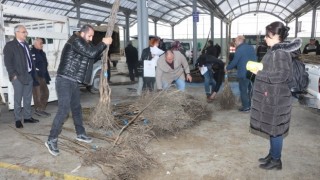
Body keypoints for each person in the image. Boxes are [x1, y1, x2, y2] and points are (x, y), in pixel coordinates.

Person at [45, 24, 112, 156]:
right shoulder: (75, 41)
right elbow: (91, 52)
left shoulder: (84, 43)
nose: (91, 38)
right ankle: (51, 139)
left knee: (76, 108)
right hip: (64, 80)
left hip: (74, 81)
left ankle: (80, 133)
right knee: (64, 110)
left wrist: (104, 52)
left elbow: (92, 56)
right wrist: (103, 43)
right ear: (82, 33)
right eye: (90, 36)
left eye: (92, 36)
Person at [249, 21, 301, 170]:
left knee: (276, 131)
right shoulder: (274, 51)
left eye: (267, 35)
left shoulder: (279, 53)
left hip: (277, 99)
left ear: (276, 36)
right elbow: (273, 70)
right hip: (272, 96)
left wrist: (259, 73)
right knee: (272, 129)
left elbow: (282, 75)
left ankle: (276, 160)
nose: (265, 38)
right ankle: (272, 155)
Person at [3, 25, 40, 128]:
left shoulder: (25, 44)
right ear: (17, 33)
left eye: (26, 32)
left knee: (28, 98)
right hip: (18, 77)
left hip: (28, 75)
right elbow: (8, 62)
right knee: (18, 99)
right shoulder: (10, 45)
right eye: (24, 32)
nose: (26, 34)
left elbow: (29, 59)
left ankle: (27, 117)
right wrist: (13, 75)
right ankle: (18, 119)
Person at [226, 35, 257, 112]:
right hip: (252, 72)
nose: (235, 42)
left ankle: (246, 107)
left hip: (243, 73)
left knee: (243, 90)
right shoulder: (251, 47)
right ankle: (250, 105)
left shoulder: (239, 49)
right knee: (249, 89)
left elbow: (235, 62)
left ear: (240, 41)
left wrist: (227, 68)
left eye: (236, 41)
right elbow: (255, 58)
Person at [31, 38, 51, 117]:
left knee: (46, 93)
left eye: (42, 43)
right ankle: (38, 109)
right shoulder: (32, 52)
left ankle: (41, 109)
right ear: (35, 44)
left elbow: (45, 64)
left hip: (43, 76)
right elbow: (32, 65)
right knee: (38, 94)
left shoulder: (42, 53)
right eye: (40, 43)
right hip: (36, 76)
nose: (42, 45)